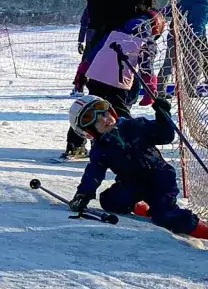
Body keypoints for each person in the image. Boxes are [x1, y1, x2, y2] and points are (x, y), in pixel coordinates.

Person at [68, 95, 208, 238]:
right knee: (109, 200)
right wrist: (83, 195)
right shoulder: (100, 150)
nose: (105, 120)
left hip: (159, 179)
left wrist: (162, 115)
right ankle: (139, 205)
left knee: (165, 216)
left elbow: (165, 136)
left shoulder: (135, 126)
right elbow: (93, 174)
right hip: (131, 183)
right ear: (88, 131)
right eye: (96, 121)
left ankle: (197, 227)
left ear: (111, 111)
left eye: (104, 113)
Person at [61, 13, 162, 159]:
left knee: (90, 108)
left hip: (96, 74)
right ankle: (132, 147)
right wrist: (150, 88)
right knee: (118, 114)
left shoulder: (114, 30)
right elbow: (146, 64)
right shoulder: (146, 37)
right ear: (156, 26)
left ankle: (74, 145)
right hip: (118, 79)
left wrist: (82, 72)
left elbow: (95, 51)